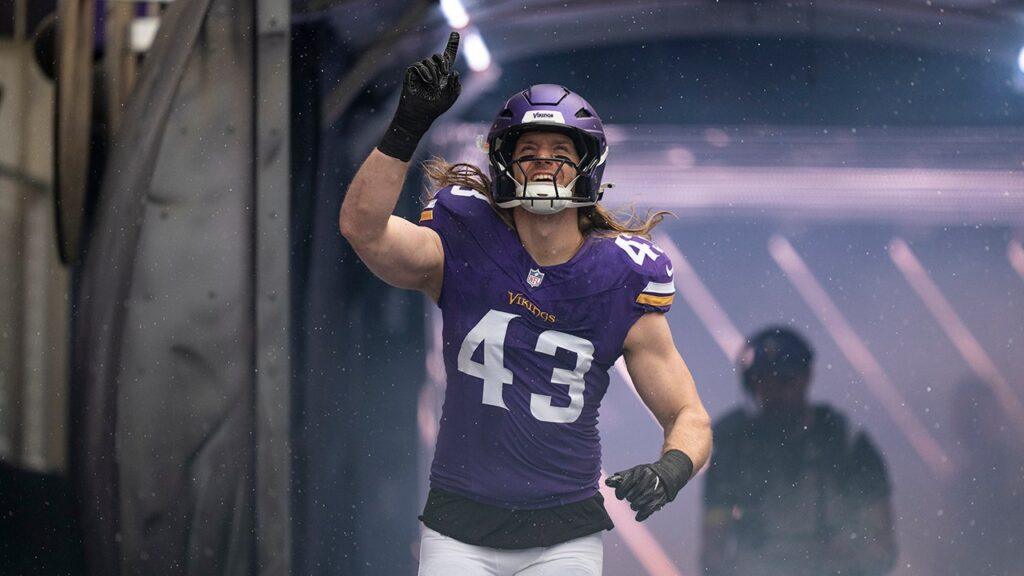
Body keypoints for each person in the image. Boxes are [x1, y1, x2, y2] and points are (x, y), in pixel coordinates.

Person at [339, 32, 712, 576]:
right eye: (528, 154)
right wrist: (406, 127)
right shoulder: (464, 240)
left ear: (587, 167)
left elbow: (689, 415)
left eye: (560, 155)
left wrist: (670, 470)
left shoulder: (620, 276)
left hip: (564, 535)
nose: (543, 165)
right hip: (459, 526)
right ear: (502, 165)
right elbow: (363, 229)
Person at [700, 326, 897, 576]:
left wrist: (842, 557)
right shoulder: (735, 451)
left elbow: (881, 547)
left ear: (805, 377)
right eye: (763, 381)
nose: (773, 391)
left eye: (784, 379)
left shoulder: (846, 445)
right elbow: (713, 551)